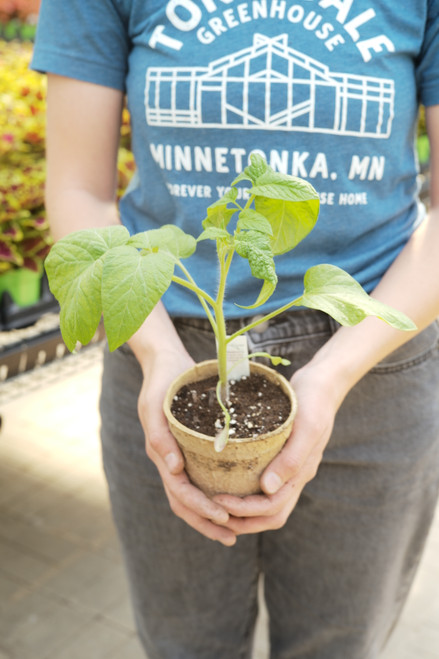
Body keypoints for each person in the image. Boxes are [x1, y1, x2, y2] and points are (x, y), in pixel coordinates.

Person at [32, 1, 439, 657]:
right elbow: (78, 188)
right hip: (166, 342)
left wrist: (331, 377)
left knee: (339, 643)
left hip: (370, 349)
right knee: (184, 641)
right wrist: (156, 352)